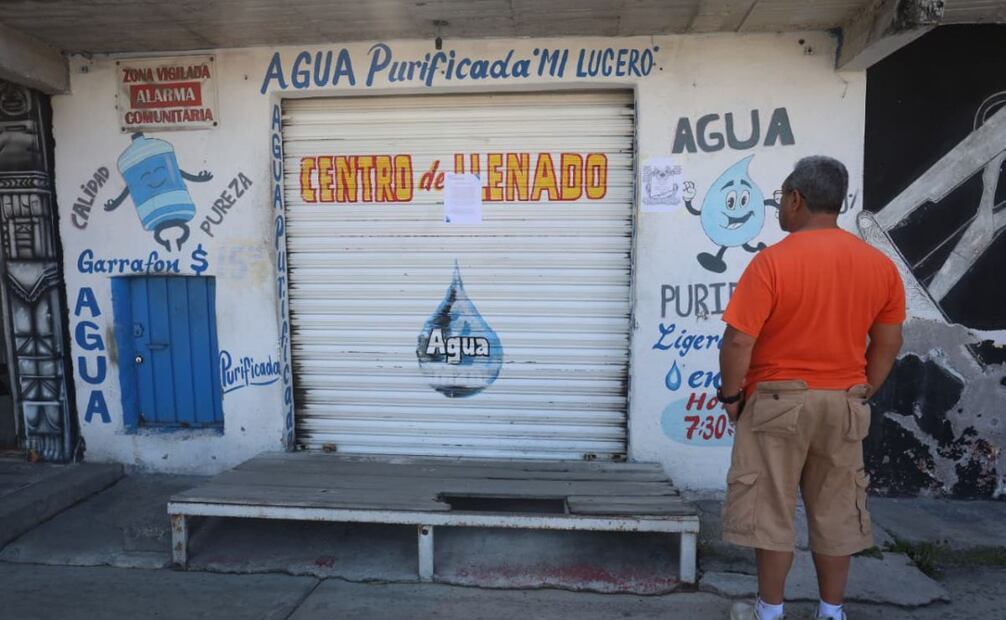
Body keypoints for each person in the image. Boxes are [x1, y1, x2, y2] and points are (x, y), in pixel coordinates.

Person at [716, 156, 905, 620]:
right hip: (843, 402)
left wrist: (732, 396)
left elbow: (739, 340)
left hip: (776, 402)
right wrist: (862, 392)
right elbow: (888, 344)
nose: (780, 206)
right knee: (837, 511)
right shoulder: (879, 266)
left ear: (797, 200)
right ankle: (831, 611)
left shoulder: (772, 263)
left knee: (769, 509)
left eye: (782, 197)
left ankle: (770, 611)